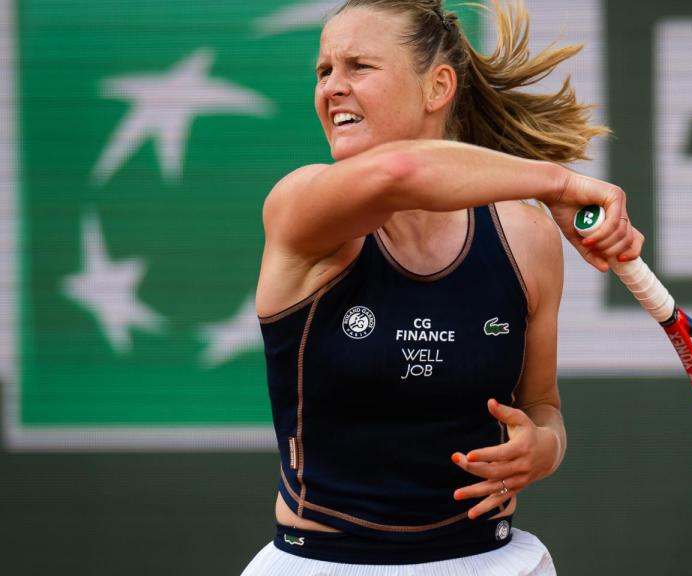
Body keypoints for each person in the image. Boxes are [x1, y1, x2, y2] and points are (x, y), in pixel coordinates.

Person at [241, 1, 643, 574]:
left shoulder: (525, 238)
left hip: (489, 560)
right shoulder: (300, 205)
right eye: (324, 70)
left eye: (359, 66)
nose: (333, 87)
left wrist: (542, 450)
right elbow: (401, 174)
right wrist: (559, 181)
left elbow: (542, 406)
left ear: (437, 88)